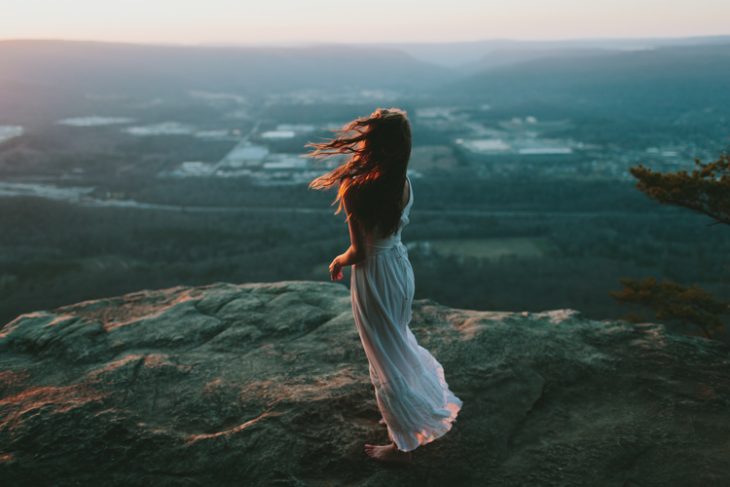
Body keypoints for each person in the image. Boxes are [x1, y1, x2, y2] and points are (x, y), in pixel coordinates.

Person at [305, 107, 462, 463]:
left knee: (384, 355)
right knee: (396, 342)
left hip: (374, 275)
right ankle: (411, 410)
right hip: (400, 269)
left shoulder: (355, 189)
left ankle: (402, 443)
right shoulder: (403, 183)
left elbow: (359, 251)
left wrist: (337, 260)